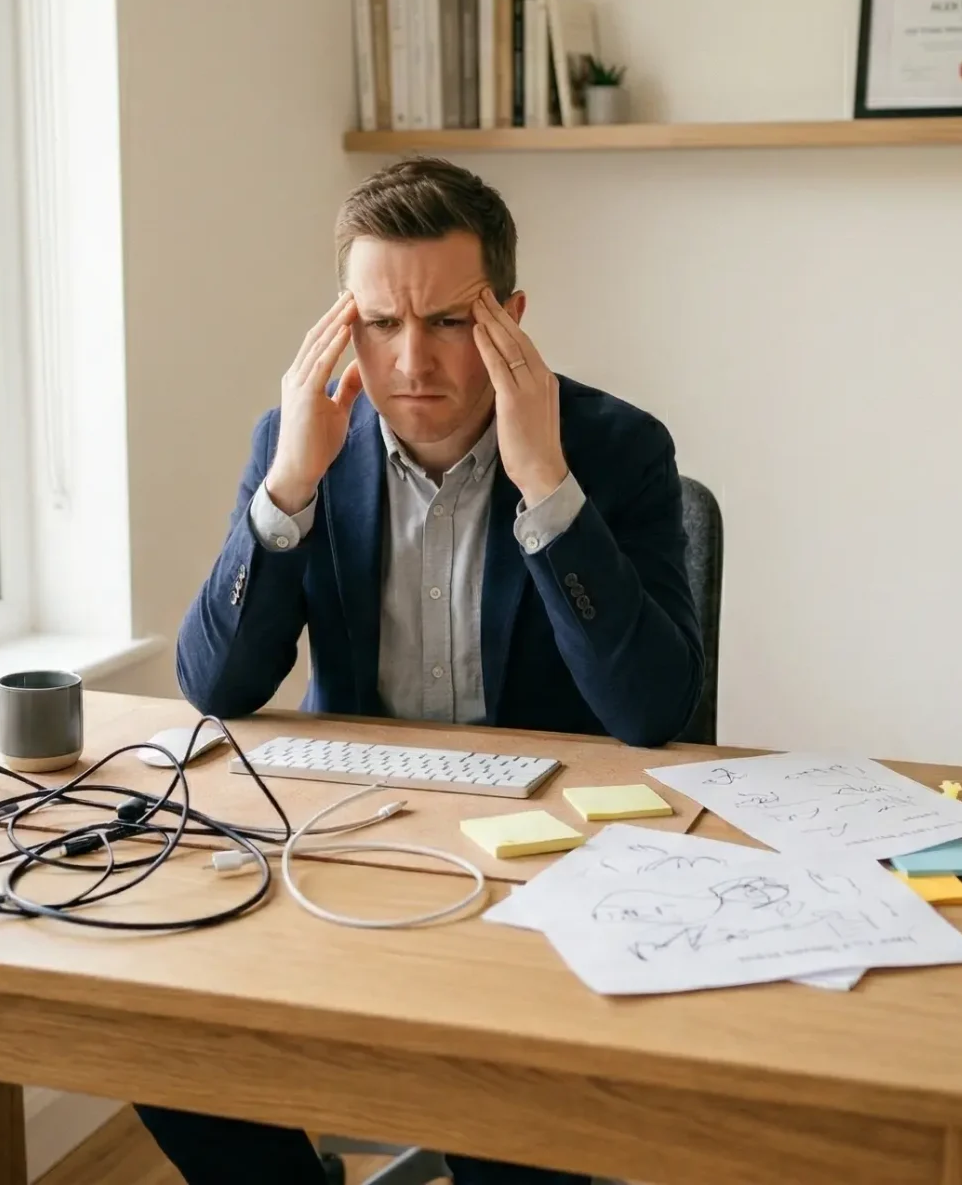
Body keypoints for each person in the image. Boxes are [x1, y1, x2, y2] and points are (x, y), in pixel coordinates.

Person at [139, 156, 702, 1185]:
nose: (412, 361)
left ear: (511, 315)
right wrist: (287, 483)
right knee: (159, 1031)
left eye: (449, 321)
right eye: (379, 322)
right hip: (354, 850)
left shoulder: (618, 449)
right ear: (341, 323)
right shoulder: (303, 438)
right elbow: (216, 684)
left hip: (551, 871)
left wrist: (544, 482)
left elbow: (653, 709)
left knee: (510, 1143)